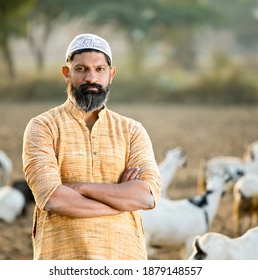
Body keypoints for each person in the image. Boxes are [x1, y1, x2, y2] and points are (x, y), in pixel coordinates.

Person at [22, 33, 162, 260]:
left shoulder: (131, 130)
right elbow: (52, 198)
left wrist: (79, 188)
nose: (91, 78)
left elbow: (146, 196)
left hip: (124, 258)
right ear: (67, 74)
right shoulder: (43, 127)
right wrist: (120, 204)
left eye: (99, 69)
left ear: (111, 74)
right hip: (62, 259)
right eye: (81, 69)